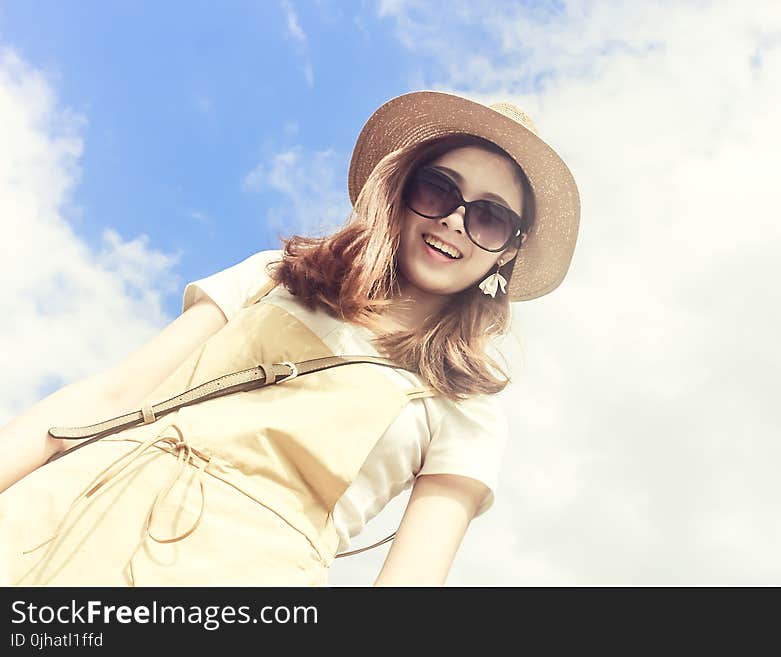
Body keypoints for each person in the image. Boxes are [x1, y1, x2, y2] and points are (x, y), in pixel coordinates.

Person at [0, 90, 581, 587]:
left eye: (489, 217)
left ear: (506, 251)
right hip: (52, 521)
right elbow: (107, 398)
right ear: (401, 194)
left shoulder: (465, 407)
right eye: (438, 190)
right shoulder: (271, 277)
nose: (455, 220)